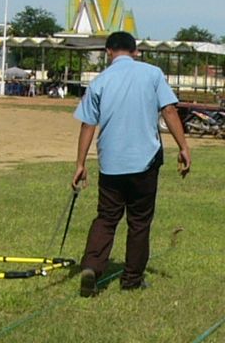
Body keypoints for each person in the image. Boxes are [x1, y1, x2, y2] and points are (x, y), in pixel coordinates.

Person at [72, 31, 191, 297]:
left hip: (111, 163)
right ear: (135, 51)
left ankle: (92, 266)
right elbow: (169, 110)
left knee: (107, 217)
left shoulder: (100, 81)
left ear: (108, 51)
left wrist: (80, 163)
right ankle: (132, 279)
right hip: (145, 162)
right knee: (139, 221)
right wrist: (183, 147)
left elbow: (88, 124)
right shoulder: (152, 74)